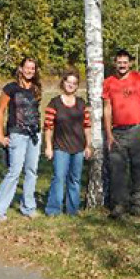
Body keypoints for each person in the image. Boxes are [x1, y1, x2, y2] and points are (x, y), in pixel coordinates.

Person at [102, 49, 140, 218]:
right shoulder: (109, 82)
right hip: (118, 131)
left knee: (139, 167)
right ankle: (119, 204)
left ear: (130, 63)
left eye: (125, 62)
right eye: (119, 62)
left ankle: (137, 202)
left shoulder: (139, 78)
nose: (122, 65)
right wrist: (108, 133)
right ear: (115, 63)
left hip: (137, 129)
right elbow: (107, 107)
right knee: (117, 168)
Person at [0, 57, 42, 222]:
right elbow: (1, 111)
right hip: (17, 134)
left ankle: (28, 207)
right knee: (14, 171)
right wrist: (1, 135)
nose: (29, 71)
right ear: (21, 68)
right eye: (27, 68)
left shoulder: (36, 88)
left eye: (32, 68)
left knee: (32, 171)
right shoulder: (10, 88)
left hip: (34, 134)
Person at [43, 70, 92, 216]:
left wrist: (88, 145)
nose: (71, 85)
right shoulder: (54, 103)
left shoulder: (81, 103)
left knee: (75, 180)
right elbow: (48, 127)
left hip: (78, 148)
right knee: (58, 178)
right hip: (61, 148)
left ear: (77, 86)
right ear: (63, 82)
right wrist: (48, 146)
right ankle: (53, 210)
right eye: (68, 82)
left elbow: (87, 126)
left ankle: (72, 210)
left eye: (74, 83)